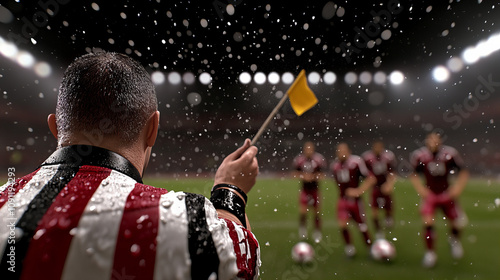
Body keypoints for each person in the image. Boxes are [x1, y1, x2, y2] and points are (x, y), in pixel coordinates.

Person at [0, 52, 261, 279]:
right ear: (153, 129)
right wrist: (230, 190)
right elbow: (238, 265)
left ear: (56, 128)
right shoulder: (189, 220)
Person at [409, 132, 469, 268]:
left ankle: (454, 241)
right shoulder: (420, 155)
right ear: (426, 142)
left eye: (436, 140)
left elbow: (463, 171)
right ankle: (430, 253)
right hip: (430, 195)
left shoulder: (450, 154)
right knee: (428, 223)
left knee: (456, 223)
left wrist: (457, 188)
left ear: (440, 141)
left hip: (446, 194)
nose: (433, 143)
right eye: (431, 140)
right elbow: (413, 174)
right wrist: (421, 190)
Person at [330, 143, 376, 257]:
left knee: (362, 226)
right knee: (343, 225)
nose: (342, 153)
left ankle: (369, 247)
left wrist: (359, 191)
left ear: (349, 151)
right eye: (340, 151)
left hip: (356, 201)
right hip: (342, 200)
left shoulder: (356, 162)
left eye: (344, 151)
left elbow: (371, 179)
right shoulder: (335, 165)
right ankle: (349, 248)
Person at [361, 140, 397, 239]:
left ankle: (388, 217)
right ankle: (378, 230)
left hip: (385, 184)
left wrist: (389, 184)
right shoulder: (367, 158)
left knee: (388, 207)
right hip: (375, 186)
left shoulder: (388, 156)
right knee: (374, 211)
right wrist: (369, 181)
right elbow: (365, 172)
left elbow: (392, 172)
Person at [292, 141, 326, 243]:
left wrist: (313, 177)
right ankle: (303, 229)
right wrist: (303, 176)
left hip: (315, 190)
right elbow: (294, 173)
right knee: (303, 212)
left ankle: (317, 232)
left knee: (316, 212)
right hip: (305, 190)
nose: (308, 151)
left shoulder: (318, 159)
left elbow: (323, 175)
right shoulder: (299, 160)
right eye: (307, 149)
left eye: (310, 149)